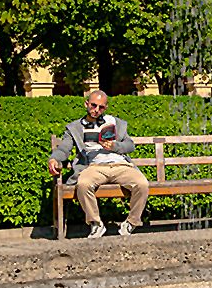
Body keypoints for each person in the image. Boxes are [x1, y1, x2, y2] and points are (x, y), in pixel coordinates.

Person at [48, 89, 151, 238]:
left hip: (120, 165)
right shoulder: (75, 128)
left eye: (101, 107)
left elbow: (130, 146)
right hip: (94, 166)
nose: (96, 110)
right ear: (86, 104)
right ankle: (96, 224)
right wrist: (54, 159)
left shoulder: (115, 122)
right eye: (93, 105)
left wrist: (115, 146)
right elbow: (64, 148)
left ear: (106, 108)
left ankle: (131, 223)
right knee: (83, 184)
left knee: (142, 184)